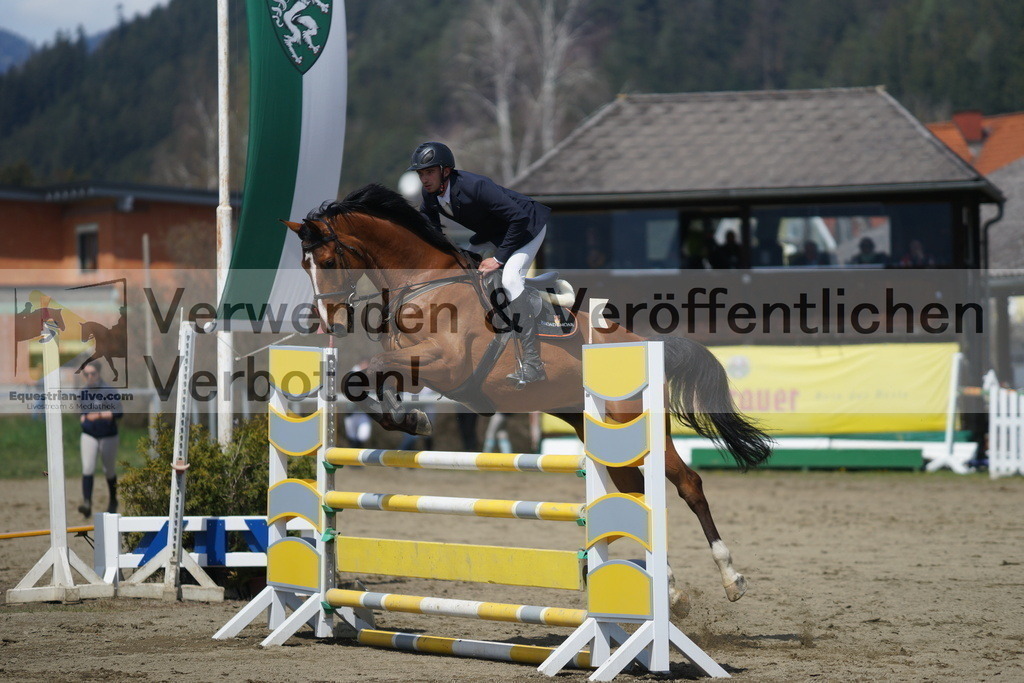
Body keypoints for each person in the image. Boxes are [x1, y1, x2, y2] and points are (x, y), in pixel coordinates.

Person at [408, 141, 551, 386]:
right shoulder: (430, 195)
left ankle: (533, 362)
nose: (424, 179)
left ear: (446, 171)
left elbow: (518, 218)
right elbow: (432, 233)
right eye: (421, 173)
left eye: (429, 172)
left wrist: (498, 260)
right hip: (494, 233)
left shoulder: (476, 187)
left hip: (526, 228)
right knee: (462, 272)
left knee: (510, 279)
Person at [78, 361, 123, 517]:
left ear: (98, 373)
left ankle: (113, 500)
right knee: (88, 468)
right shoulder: (83, 392)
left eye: (92, 374)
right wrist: (84, 418)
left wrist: (97, 415)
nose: (89, 377)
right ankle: (87, 503)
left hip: (108, 435)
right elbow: (83, 412)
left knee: (108, 470)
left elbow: (118, 413)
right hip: (89, 434)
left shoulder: (108, 390)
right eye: (86, 374)